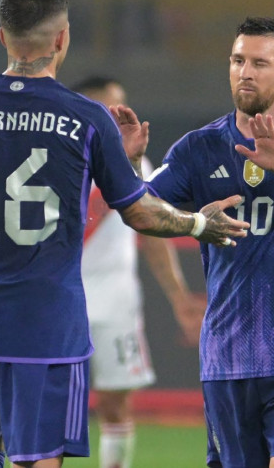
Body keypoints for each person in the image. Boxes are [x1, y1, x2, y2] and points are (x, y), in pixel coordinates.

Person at [0, 0, 248, 468]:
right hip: (46, 320)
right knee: (39, 457)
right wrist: (198, 225)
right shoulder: (85, 118)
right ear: (62, 38)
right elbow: (138, 211)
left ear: (2, 35)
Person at [145, 16, 274, 468]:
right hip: (228, 354)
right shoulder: (198, 148)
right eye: (238, 61)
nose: (245, 72)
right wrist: (191, 222)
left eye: (259, 63)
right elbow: (140, 210)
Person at [73, 76, 206, 468]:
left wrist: (179, 296)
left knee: (115, 404)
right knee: (50, 403)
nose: (120, 115)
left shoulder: (135, 161)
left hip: (116, 301)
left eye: (122, 105)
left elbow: (153, 237)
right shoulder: (58, 156)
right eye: (110, 107)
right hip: (61, 298)